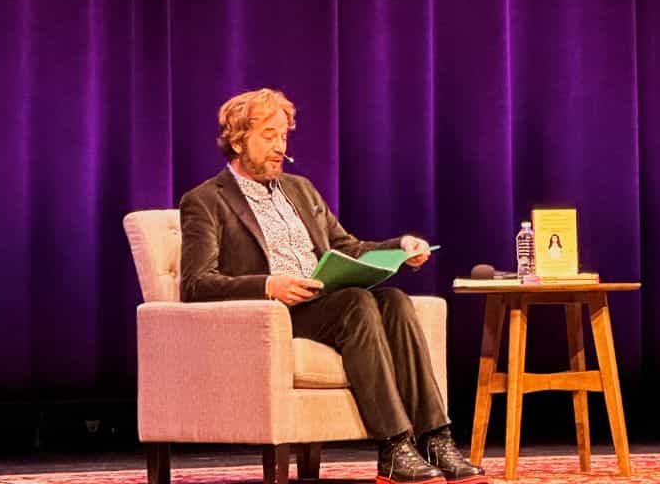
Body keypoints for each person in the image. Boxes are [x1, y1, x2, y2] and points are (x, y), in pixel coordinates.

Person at [180, 88, 483, 484]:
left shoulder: (300, 189)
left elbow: (347, 247)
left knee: (393, 300)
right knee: (357, 303)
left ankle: (435, 438)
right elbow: (196, 283)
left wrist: (399, 248)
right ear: (238, 140)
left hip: (325, 302)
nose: (280, 146)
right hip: (274, 314)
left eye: (284, 136)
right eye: (268, 135)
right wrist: (269, 285)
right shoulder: (205, 200)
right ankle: (393, 445)